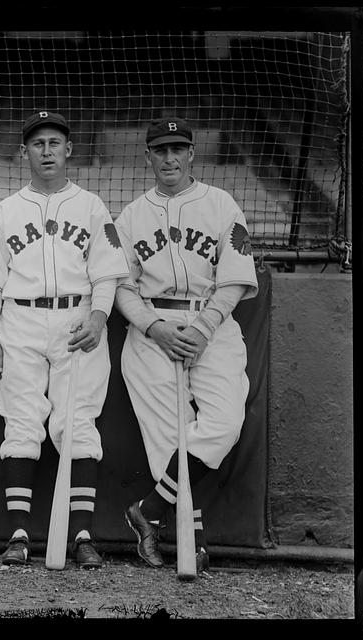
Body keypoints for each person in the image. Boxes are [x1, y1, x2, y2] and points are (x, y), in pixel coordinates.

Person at [0, 111, 129, 568]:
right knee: (21, 423)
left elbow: (107, 275)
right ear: (24, 152)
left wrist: (99, 318)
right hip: (18, 321)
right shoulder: (6, 209)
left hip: (77, 321)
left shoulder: (93, 206)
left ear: (69, 151)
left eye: (54, 143)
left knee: (77, 423)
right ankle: (19, 534)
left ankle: (81, 534)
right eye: (38, 143)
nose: (47, 151)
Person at [113, 117, 259, 574]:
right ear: (148, 157)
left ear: (192, 154)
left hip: (210, 323)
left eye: (178, 149)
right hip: (152, 328)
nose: (170, 158)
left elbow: (235, 278)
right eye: (161, 150)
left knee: (223, 423)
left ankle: (149, 509)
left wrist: (203, 327)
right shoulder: (131, 214)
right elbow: (120, 285)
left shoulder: (221, 204)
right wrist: (153, 326)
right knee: (167, 439)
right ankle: (189, 541)